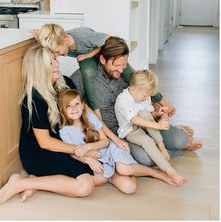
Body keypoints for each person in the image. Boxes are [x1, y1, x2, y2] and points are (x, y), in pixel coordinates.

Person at [0, 45, 104, 207]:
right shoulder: (34, 100)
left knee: (100, 177)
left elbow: (86, 114)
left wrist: (96, 143)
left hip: (64, 145)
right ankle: (20, 184)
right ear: (39, 69)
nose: (56, 65)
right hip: (40, 152)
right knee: (85, 186)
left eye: (55, 60)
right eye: (50, 63)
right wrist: (82, 151)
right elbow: (45, 142)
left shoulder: (67, 83)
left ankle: (35, 181)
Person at [71, 36, 202, 167]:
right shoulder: (85, 75)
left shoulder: (126, 73)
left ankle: (171, 139)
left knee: (180, 140)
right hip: (121, 132)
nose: (121, 70)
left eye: (124, 65)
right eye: (116, 65)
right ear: (103, 60)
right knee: (146, 159)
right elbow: (66, 96)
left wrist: (158, 113)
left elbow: (145, 93)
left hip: (145, 121)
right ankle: (164, 149)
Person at [32, 23, 170, 117]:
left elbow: (109, 39)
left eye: (56, 52)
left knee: (134, 77)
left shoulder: (83, 37)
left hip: (104, 53)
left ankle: (162, 101)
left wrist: (88, 55)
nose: (56, 55)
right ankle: (97, 113)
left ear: (65, 39)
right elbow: (49, 39)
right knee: (88, 74)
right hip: (91, 58)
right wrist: (38, 35)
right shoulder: (58, 40)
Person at [58, 88, 178, 188]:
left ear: (82, 105)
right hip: (100, 159)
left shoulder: (89, 117)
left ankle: (155, 173)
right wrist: (88, 158)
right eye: (69, 106)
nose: (74, 108)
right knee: (129, 188)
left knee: (123, 169)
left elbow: (105, 142)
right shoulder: (64, 131)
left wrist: (87, 148)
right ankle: (133, 172)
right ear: (62, 110)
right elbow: (73, 152)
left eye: (77, 104)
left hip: (111, 149)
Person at [115, 69, 187, 186]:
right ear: (133, 89)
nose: (147, 98)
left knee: (144, 114)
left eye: (149, 95)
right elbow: (134, 119)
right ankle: (170, 171)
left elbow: (149, 115)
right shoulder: (122, 100)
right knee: (147, 141)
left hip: (144, 123)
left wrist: (158, 113)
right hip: (130, 130)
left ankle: (161, 147)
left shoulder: (144, 96)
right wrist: (157, 125)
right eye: (145, 96)